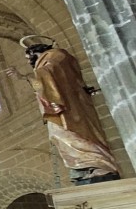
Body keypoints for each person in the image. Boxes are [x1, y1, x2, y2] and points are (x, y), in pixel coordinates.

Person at [7, 37, 120, 185]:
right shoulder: (44, 64)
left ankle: (100, 166)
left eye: (30, 57)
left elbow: (51, 75)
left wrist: (24, 77)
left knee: (72, 135)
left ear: (37, 52)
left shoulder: (57, 55)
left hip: (70, 108)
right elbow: (44, 86)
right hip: (59, 108)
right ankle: (83, 168)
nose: (29, 61)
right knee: (58, 136)